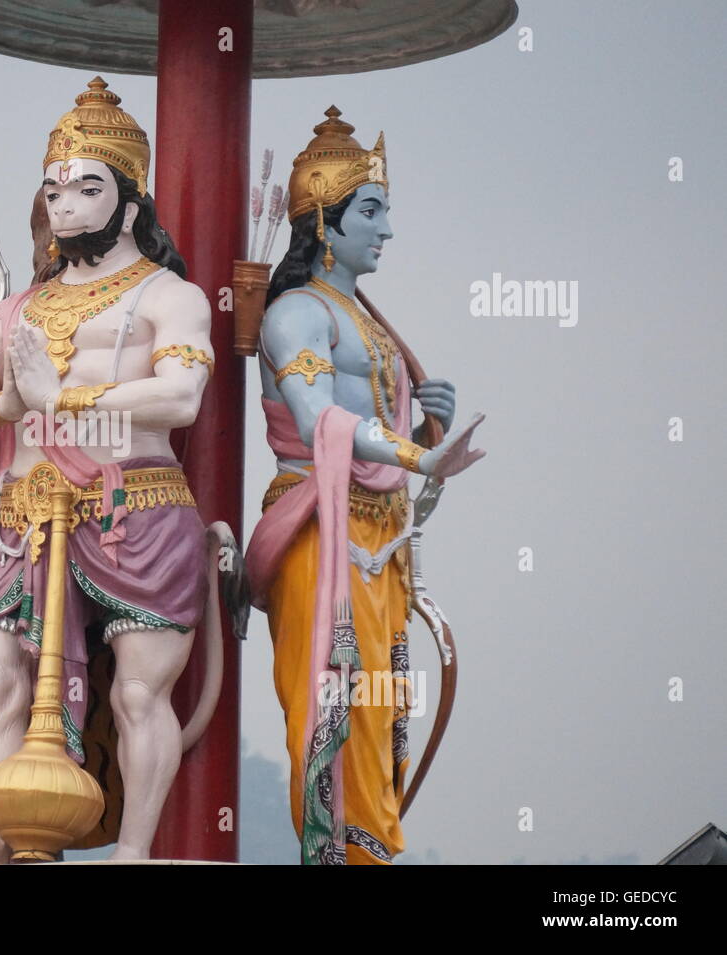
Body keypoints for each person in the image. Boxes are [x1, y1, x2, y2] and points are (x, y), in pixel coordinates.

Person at [0, 77, 228, 862]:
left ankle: (134, 850)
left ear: (129, 206)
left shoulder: (171, 297)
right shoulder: (15, 311)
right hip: (22, 517)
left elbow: (182, 396)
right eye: (54, 190)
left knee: (138, 691)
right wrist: (3, 403)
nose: (65, 205)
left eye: (88, 187)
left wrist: (64, 399)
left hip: (135, 508)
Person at [246, 106, 485, 864]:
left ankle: (373, 852)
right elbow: (320, 420)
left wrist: (426, 427)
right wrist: (419, 458)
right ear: (323, 220)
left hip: (379, 535)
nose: (387, 230)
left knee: (381, 708)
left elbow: (370, 424)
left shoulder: (365, 319)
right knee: (333, 706)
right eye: (372, 212)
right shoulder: (296, 314)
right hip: (318, 524)